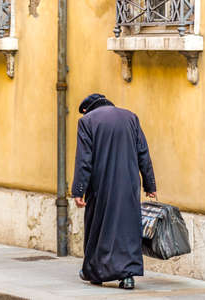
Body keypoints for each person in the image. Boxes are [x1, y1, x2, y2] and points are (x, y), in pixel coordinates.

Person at [72, 93, 157, 290]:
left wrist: (79, 190)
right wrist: (150, 185)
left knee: (98, 227)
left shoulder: (87, 121)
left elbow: (84, 160)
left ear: (86, 109)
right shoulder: (130, 117)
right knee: (127, 229)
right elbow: (143, 152)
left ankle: (95, 273)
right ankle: (127, 277)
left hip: (100, 186)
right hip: (129, 185)